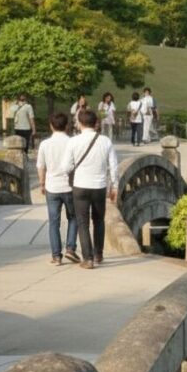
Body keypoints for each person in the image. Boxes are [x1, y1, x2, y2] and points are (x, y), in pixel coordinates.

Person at [59, 109, 118, 269]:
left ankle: (88, 258)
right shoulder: (105, 141)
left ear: (79, 123)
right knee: (98, 220)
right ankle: (98, 254)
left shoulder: (73, 141)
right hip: (99, 186)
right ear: (96, 123)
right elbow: (113, 165)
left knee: (82, 222)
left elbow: (65, 167)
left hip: (80, 186)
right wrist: (114, 185)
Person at [35, 112, 80, 265]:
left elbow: (41, 166)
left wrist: (42, 183)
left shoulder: (45, 144)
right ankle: (70, 248)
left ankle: (56, 256)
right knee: (73, 217)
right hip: (70, 186)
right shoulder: (73, 142)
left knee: (54, 222)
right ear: (66, 126)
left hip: (52, 186)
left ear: (51, 126)